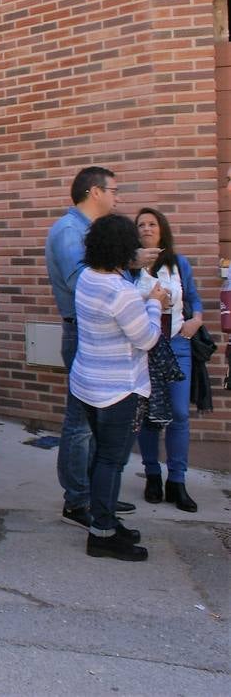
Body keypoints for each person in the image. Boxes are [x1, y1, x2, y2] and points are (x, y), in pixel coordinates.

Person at [45, 167, 151, 528]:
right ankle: (78, 501)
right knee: (80, 425)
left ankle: (98, 495)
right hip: (85, 333)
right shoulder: (69, 231)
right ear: (94, 192)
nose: (117, 198)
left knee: (95, 430)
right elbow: (86, 285)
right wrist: (136, 276)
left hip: (96, 333)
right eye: (114, 191)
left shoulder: (84, 231)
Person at [71, 214, 165, 561]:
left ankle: (104, 519)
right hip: (118, 390)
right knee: (112, 461)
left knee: (101, 457)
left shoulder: (87, 277)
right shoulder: (120, 291)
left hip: (88, 384)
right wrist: (155, 303)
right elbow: (147, 338)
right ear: (124, 249)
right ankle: (103, 535)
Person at [133, 207, 202, 512]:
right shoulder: (130, 268)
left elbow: (195, 299)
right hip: (146, 347)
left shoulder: (179, 264)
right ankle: (152, 475)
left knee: (178, 413)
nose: (147, 228)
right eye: (141, 225)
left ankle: (177, 480)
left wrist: (196, 320)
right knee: (150, 415)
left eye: (152, 224)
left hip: (176, 344)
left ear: (162, 230)